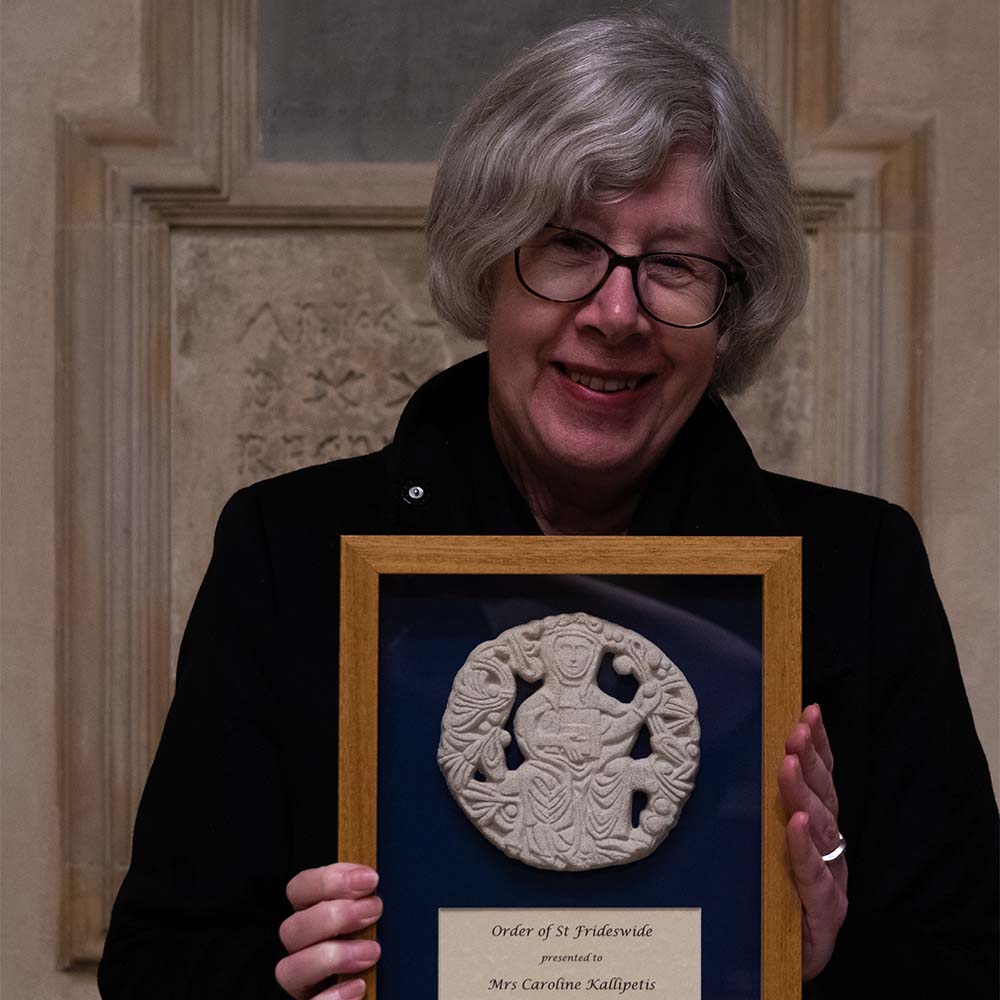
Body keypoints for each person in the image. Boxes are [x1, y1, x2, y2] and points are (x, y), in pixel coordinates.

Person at [98, 12, 999, 1000]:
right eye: (568, 245)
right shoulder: (291, 552)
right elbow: (156, 968)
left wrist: (817, 959)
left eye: (674, 264)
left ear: (729, 305)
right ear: (488, 261)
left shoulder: (855, 571)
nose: (617, 314)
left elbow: (963, 970)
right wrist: (282, 985)